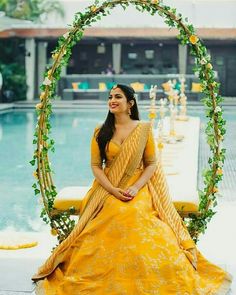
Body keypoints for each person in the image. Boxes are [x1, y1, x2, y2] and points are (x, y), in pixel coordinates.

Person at [32, 84, 232, 294]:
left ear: (130, 103)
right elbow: (95, 166)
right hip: (108, 186)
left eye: (118, 97)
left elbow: (152, 163)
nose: (112, 100)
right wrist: (112, 189)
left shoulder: (143, 129)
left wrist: (136, 188)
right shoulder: (100, 131)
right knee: (113, 212)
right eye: (110, 97)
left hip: (138, 186)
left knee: (135, 212)